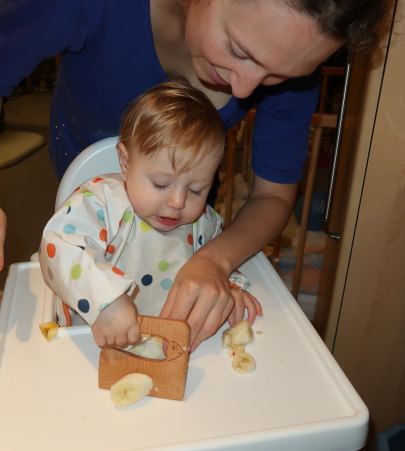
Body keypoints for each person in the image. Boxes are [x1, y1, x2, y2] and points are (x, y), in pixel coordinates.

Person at [0, 0, 387, 348]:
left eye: (279, 75)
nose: (244, 90)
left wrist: (215, 260)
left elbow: (272, 195)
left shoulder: (282, 67)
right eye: (237, 50)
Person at [40, 80, 261, 347]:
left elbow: (219, 264)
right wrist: (106, 301)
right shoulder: (101, 203)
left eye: (196, 189)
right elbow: (58, 246)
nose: (178, 201)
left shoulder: (204, 223)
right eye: (161, 184)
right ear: (125, 162)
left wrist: (230, 288)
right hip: (88, 341)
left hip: (166, 343)